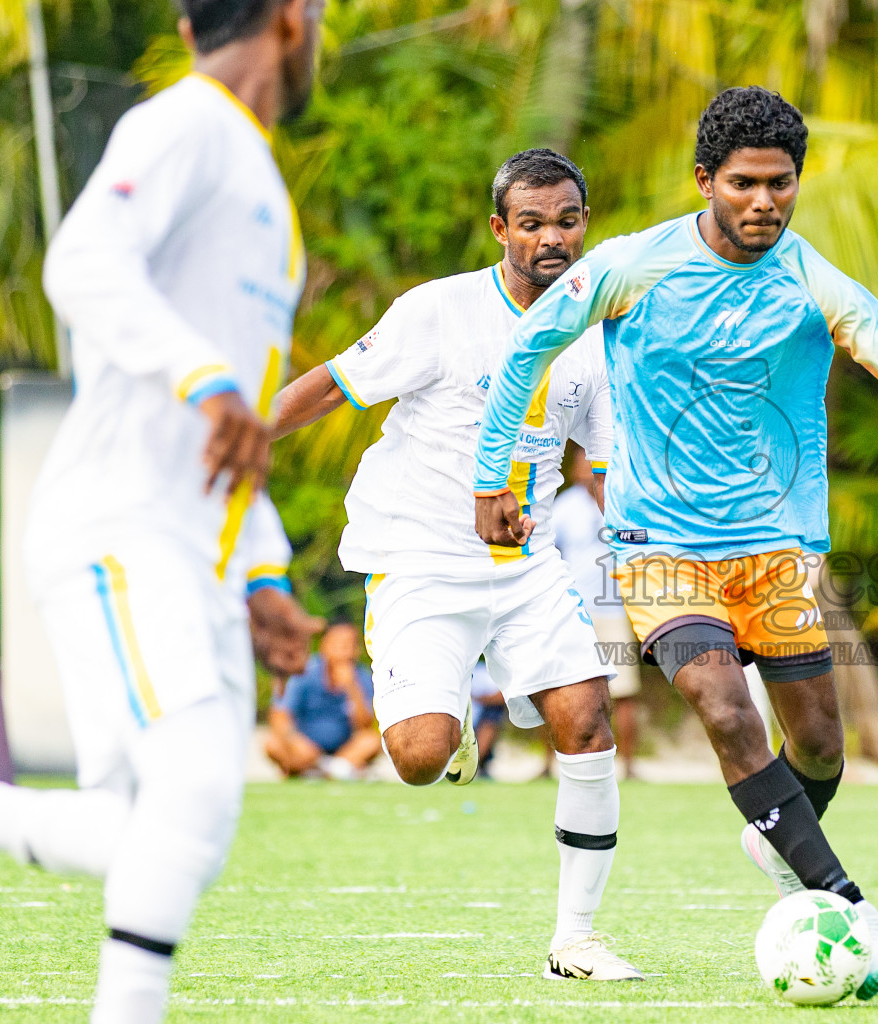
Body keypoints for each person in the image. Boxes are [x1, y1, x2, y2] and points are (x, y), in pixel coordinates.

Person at [472, 87, 878, 999]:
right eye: (744, 184)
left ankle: (776, 833)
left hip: (776, 554)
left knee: (820, 750)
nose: (765, 201)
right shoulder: (629, 267)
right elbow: (530, 348)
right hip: (657, 548)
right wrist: (494, 478)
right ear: (704, 182)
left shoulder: (816, 281)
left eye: (781, 183)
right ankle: (851, 908)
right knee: (727, 712)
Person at [0, 0, 324, 1019]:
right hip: (122, 527)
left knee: (166, 829)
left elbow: (242, 431)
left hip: (200, 555)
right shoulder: (187, 122)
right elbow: (81, 264)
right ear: (293, 19)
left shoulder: (261, 181)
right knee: (195, 787)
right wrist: (206, 377)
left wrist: (261, 569)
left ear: (183, 26)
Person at [271, 148, 639, 981]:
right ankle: (448, 725)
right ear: (500, 228)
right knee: (419, 757)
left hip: (529, 560)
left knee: (587, 721)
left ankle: (575, 939)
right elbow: (334, 385)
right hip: (419, 557)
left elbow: (614, 464)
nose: (553, 237)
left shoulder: (599, 333)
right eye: (534, 222)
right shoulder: (438, 311)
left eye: (568, 220)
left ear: (586, 223)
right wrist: (240, 447)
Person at [552, 454, 642, 779]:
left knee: (625, 691)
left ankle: (629, 766)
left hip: (615, 609)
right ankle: (550, 764)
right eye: (583, 463)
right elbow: (550, 551)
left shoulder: (623, 503)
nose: (588, 470)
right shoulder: (564, 506)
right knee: (556, 684)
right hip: (574, 610)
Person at [265, 622, 379, 779]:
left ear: (357, 650)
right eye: (337, 644)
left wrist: (352, 689)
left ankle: (322, 770)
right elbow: (280, 716)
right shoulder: (304, 672)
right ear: (324, 645)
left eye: (348, 645)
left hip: (344, 751)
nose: (343, 650)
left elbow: (365, 726)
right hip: (305, 746)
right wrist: (296, 741)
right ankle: (330, 770)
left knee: (371, 741)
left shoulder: (363, 677)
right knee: (273, 744)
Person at [469, 657, 507, 779]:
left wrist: (476, 698)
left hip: (477, 721)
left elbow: (501, 696)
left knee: (493, 715)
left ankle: (473, 766)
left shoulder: (485, 670)